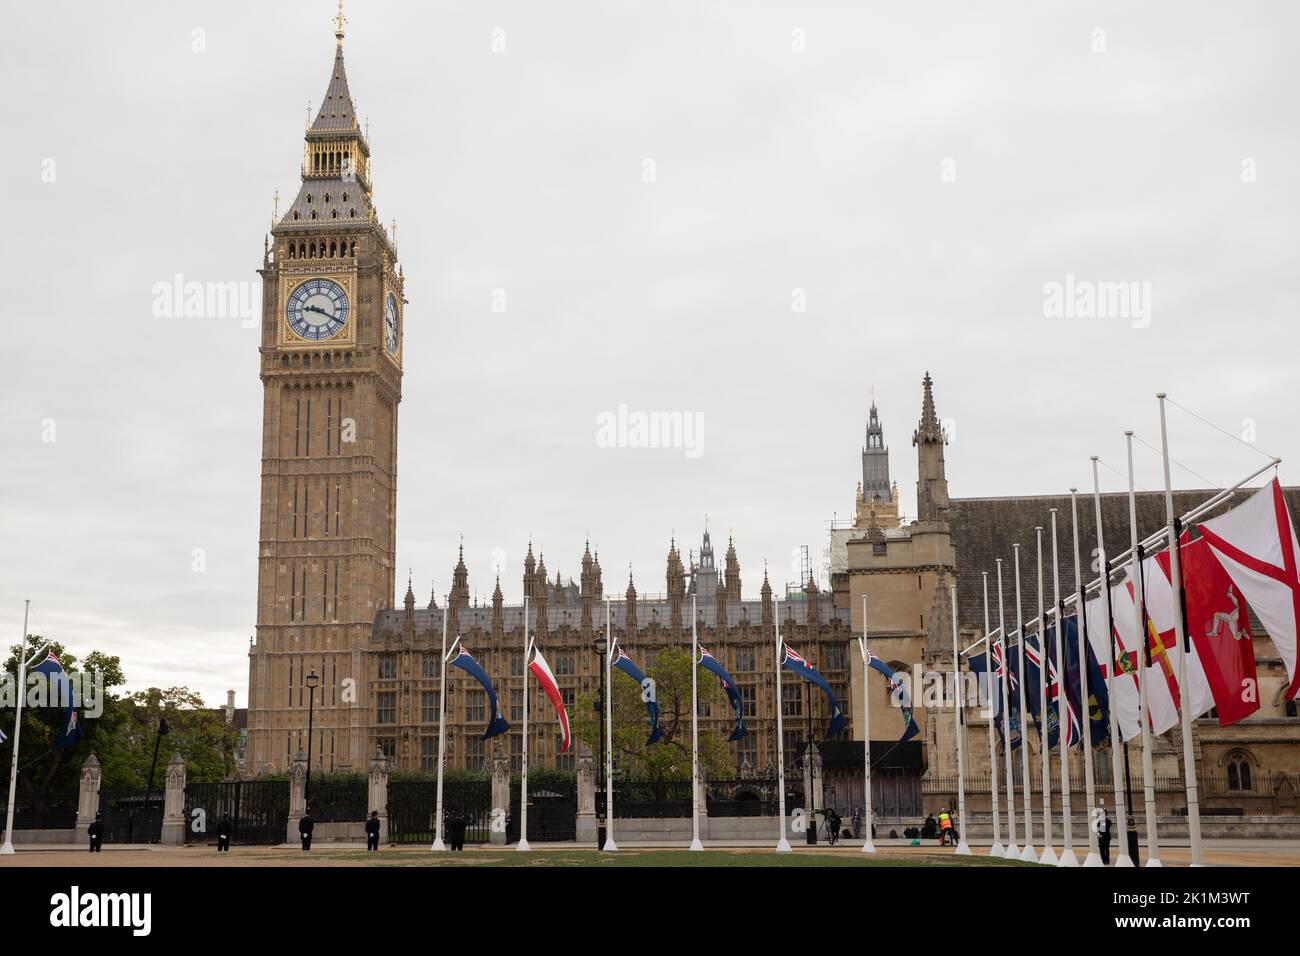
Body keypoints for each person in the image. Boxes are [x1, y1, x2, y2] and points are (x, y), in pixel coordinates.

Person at [1097, 799, 1112, 866]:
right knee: (1101, 850)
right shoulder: (1099, 821)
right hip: (1101, 837)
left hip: (1106, 837)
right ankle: (1103, 860)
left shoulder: (1108, 821)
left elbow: (1105, 829)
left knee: (1106, 849)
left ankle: (1107, 860)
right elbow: (1097, 829)